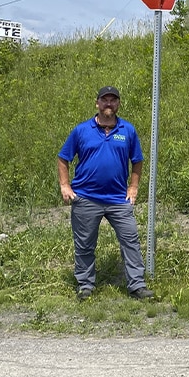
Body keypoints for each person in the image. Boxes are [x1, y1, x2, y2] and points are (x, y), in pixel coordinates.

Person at [57, 85, 154, 301]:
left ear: (118, 103)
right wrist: (65, 185)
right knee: (84, 244)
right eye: (104, 100)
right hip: (86, 197)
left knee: (130, 240)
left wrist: (134, 187)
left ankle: (137, 285)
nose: (108, 104)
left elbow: (137, 161)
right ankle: (85, 285)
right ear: (97, 103)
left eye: (113, 100)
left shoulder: (127, 130)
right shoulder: (81, 130)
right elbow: (63, 158)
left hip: (118, 199)